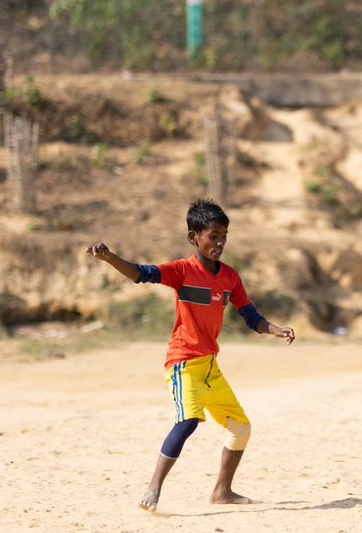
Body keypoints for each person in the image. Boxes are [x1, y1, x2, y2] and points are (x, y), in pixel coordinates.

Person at [86, 198, 295, 513]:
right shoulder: (182, 271)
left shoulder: (229, 277)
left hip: (210, 367)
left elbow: (250, 315)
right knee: (188, 421)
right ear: (193, 237)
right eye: (213, 236)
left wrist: (274, 329)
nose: (220, 242)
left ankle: (222, 492)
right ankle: (153, 487)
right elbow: (141, 274)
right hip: (183, 362)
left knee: (241, 428)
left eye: (224, 235)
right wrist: (110, 257)